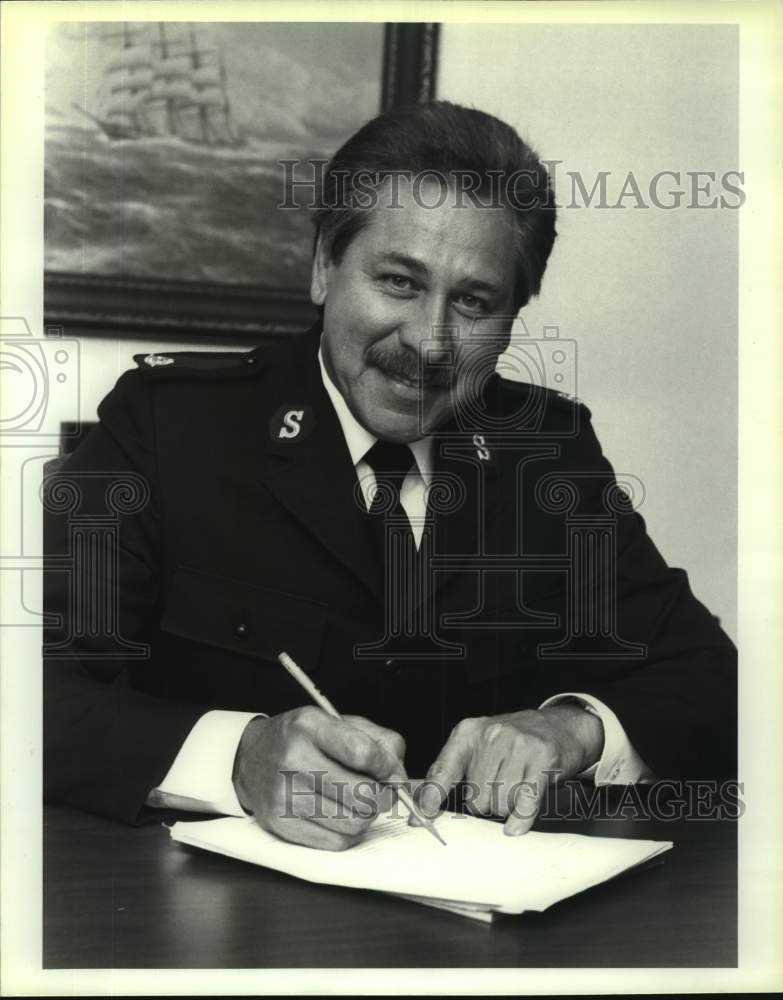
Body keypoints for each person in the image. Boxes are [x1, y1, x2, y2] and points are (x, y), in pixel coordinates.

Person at [43, 101, 737, 850]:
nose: (430, 344)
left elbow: (714, 681)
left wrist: (577, 729)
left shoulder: (548, 449)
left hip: (480, 907)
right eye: (400, 282)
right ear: (324, 267)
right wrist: (237, 757)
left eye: (472, 301)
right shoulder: (169, 426)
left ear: (512, 315)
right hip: (213, 909)